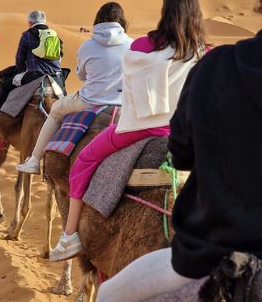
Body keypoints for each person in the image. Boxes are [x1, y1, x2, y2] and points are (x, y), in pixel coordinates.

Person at [95, 18, 262, 302]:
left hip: (211, 250)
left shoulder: (217, 63)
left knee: (107, 295)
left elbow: (182, 152)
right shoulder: (202, 54)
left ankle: (68, 227)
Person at [49, 0, 211, 263]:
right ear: (197, 16)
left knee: (83, 160)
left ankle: (70, 236)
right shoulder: (205, 54)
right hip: (188, 133)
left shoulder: (142, 46)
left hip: (140, 128)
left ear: (165, 13)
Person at [16, 2, 133, 175]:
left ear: (98, 21)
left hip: (89, 101)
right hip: (123, 104)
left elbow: (81, 75)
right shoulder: (132, 44)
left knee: (55, 110)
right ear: (122, 21)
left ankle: (34, 160)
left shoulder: (88, 45)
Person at [0, 10, 65, 130]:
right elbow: (60, 57)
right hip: (56, 77)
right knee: (64, 98)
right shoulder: (55, 36)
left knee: (5, 87)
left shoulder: (27, 35)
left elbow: (20, 59)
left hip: (34, 76)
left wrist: (20, 72)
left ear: (30, 23)